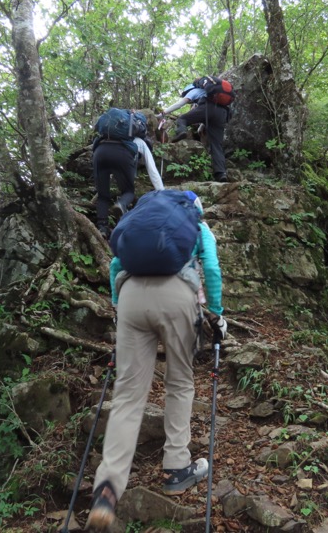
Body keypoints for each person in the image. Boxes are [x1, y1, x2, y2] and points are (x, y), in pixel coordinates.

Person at [85, 191, 227, 531]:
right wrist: (217, 315)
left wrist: (119, 307)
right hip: (177, 295)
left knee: (128, 396)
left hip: (132, 297)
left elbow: (115, 264)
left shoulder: (138, 224)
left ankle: (107, 488)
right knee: (179, 382)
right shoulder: (196, 224)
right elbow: (210, 266)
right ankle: (176, 466)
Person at [92, 108, 164, 239]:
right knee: (128, 191)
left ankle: (102, 228)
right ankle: (121, 204)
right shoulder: (140, 142)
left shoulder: (106, 134)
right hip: (122, 154)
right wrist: (162, 193)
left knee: (103, 196)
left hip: (100, 152)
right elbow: (152, 171)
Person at [161, 82, 230, 183]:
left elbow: (181, 104)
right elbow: (207, 115)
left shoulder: (194, 91)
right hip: (223, 114)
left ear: (187, 90)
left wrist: (163, 113)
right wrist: (201, 127)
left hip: (208, 108)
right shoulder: (211, 95)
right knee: (216, 146)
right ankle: (221, 174)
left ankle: (182, 132)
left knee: (182, 119)